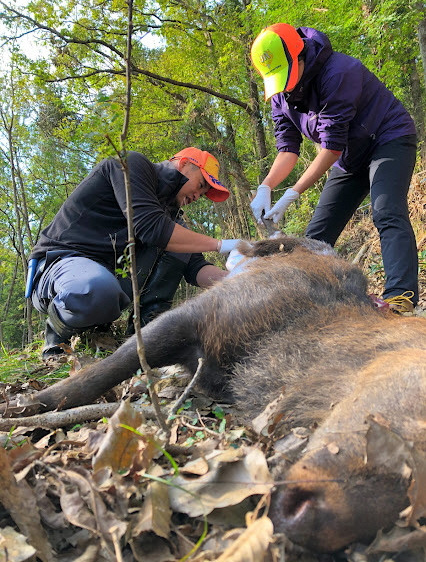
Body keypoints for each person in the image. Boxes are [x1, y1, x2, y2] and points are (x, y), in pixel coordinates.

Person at [249, 23, 419, 313]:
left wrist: (292, 193)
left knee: (386, 210)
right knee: (315, 237)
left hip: (387, 139)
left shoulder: (340, 71)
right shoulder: (280, 96)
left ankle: (400, 299)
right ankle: (307, 305)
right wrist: (266, 187)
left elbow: (331, 145)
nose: (285, 85)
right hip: (348, 158)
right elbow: (287, 150)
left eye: (286, 75)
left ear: (300, 56)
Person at [28, 147, 241, 360]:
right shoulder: (131, 165)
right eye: (200, 185)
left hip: (103, 281)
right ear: (183, 163)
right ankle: (56, 336)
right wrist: (220, 244)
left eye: (203, 194)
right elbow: (151, 227)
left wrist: (238, 278)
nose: (197, 195)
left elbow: (195, 266)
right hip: (60, 265)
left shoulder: (171, 217)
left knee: (182, 244)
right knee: (97, 289)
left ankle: (146, 328)